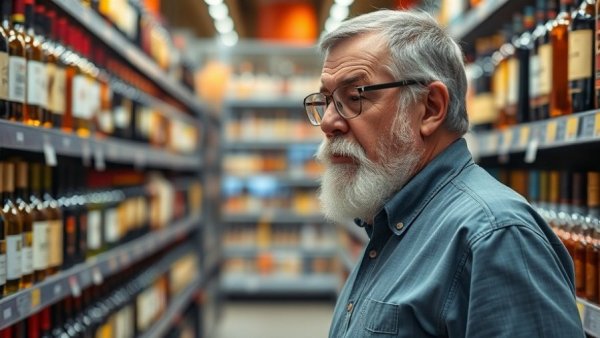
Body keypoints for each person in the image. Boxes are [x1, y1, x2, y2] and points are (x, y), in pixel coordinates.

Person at [303, 9, 585, 338]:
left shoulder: (495, 237)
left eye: (354, 98)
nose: (327, 123)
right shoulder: (390, 224)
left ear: (431, 108)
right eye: (326, 100)